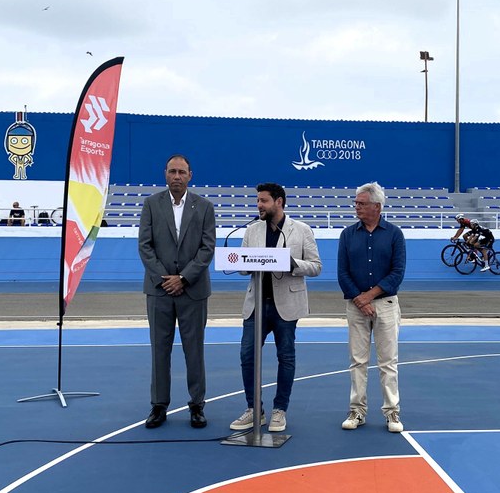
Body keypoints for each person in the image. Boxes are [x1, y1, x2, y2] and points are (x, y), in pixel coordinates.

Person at [229, 183, 322, 433]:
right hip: (256, 305)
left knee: (286, 357)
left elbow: (316, 266)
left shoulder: (301, 230)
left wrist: (292, 263)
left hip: (286, 305)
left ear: (278, 202)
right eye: (258, 201)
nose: (259, 205)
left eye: (264, 201)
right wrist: (245, 263)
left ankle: (280, 409)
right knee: (247, 356)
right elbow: (242, 266)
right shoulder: (252, 230)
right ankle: (254, 409)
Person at [138, 154, 216, 429]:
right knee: (160, 350)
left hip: (193, 290)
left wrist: (183, 278)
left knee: (194, 351)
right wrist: (165, 279)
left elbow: (207, 248)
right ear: (165, 174)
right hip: (159, 291)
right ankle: (159, 405)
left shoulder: (204, 207)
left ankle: (197, 405)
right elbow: (145, 246)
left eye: (182, 172)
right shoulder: (151, 204)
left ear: (190, 175)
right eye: (172, 171)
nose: (177, 177)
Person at [338, 182, 406, 433]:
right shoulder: (347, 235)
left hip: (385, 304)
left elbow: (397, 272)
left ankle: (392, 412)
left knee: (388, 362)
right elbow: (342, 272)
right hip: (356, 305)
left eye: (362, 203)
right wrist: (360, 299)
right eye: (356, 203)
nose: (356, 207)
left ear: (377, 206)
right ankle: (357, 410)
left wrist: (369, 296)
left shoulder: (394, 234)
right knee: (357, 361)